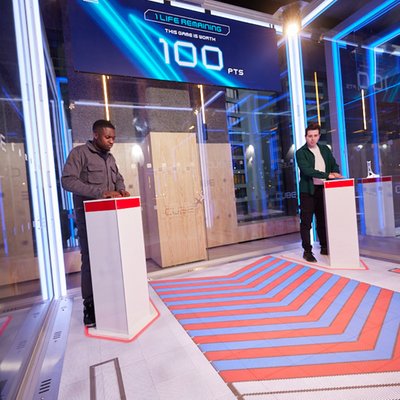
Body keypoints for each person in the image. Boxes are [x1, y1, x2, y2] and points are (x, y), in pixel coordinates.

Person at [61, 119, 130, 327]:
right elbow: (67, 181)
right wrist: (101, 193)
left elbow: (118, 177)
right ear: (96, 135)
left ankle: (109, 299)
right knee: (90, 261)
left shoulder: (110, 158)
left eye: (114, 138)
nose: (111, 141)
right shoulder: (79, 153)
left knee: (111, 258)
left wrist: (121, 188)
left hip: (111, 218)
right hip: (88, 218)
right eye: (108, 137)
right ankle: (89, 306)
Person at [295, 122, 343, 263]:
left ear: (319, 136)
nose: (312, 139)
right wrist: (328, 175)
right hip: (308, 191)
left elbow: (334, 164)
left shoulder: (325, 149)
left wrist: (335, 172)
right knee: (306, 223)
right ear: (305, 136)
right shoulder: (300, 152)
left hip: (323, 190)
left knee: (322, 220)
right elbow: (307, 171)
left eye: (315, 135)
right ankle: (307, 251)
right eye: (310, 136)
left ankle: (324, 247)